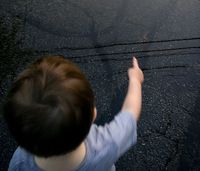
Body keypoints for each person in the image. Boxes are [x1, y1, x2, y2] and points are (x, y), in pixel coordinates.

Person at [3, 55, 144, 171]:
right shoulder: (108, 144)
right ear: (92, 116)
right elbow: (131, 112)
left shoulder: (19, 163)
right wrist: (135, 80)